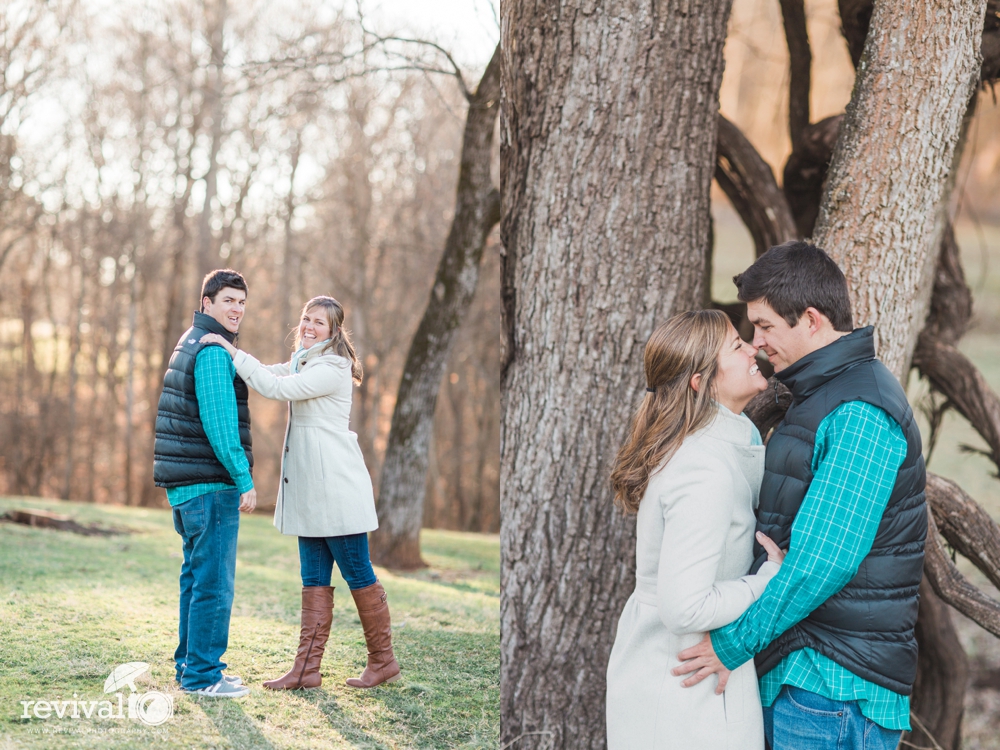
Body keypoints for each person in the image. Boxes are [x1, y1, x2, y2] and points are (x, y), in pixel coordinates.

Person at [672, 241, 927, 750]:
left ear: (811, 320)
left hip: (833, 686)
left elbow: (822, 562)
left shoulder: (860, 411)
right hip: (807, 676)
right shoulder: (820, 393)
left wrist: (732, 644)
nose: (757, 342)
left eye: (765, 326)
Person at [605, 309, 786, 750]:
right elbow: (685, 607)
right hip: (684, 679)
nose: (753, 347)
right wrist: (765, 583)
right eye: (736, 345)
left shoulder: (723, 446)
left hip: (687, 670)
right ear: (700, 382)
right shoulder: (704, 468)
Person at [200, 295, 400, 690]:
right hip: (310, 493)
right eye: (306, 319)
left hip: (337, 491)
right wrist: (232, 357)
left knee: (358, 573)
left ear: (334, 331)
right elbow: (272, 371)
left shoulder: (332, 367)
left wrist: (229, 349)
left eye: (319, 323)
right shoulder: (305, 359)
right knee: (313, 579)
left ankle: (383, 661)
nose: (309, 327)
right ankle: (306, 669)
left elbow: (275, 387)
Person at [153, 268, 257, 699]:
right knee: (214, 583)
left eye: (241, 302)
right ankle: (203, 677)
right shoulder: (214, 352)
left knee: (195, 579)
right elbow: (219, 424)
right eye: (228, 301)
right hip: (210, 486)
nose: (236, 309)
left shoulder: (190, 341)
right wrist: (244, 478)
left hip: (187, 487)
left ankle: (191, 667)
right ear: (207, 304)